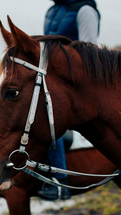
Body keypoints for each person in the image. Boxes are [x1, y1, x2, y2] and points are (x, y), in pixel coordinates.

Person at [38, 0, 100, 200]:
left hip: (75, 83)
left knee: (50, 117)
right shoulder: (52, 11)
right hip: (50, 79)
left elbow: (89, 53)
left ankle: (59, 181)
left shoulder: (85, 10)